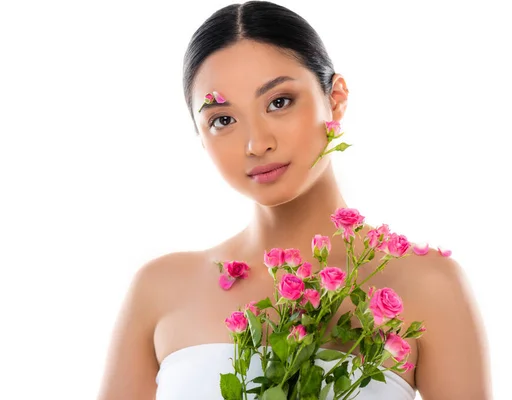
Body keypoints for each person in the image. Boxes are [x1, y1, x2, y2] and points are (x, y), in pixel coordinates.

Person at [97, 1, 490, 399]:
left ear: (335, 98)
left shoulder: (427, 286)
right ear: (200, 135)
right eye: (223, 120)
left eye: (279, 102)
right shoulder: (160, 289)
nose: (256, 143)